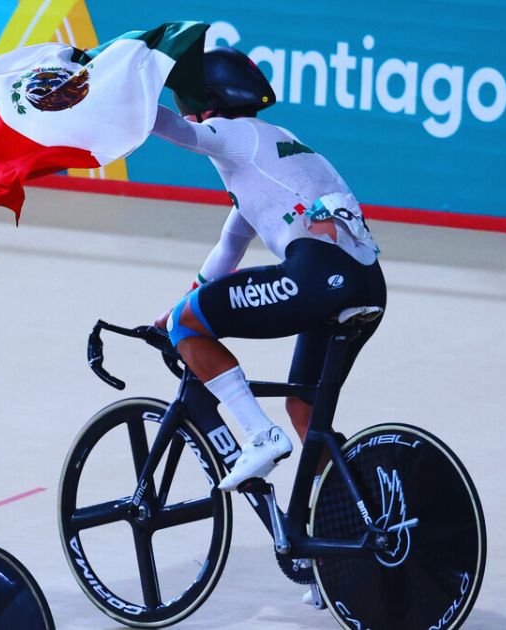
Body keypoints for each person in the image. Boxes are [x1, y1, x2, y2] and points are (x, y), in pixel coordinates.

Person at [153, 47, 386, 492]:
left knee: (188, 327)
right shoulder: (274, 146)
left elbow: (176, 130)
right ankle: (349, 514)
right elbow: (230, 246)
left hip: (320, 277)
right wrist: (178, 304)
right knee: (303, 408)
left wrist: (117, 98)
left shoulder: (231, 133)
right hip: (367, 285)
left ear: (207, 104)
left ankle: (260, 435)